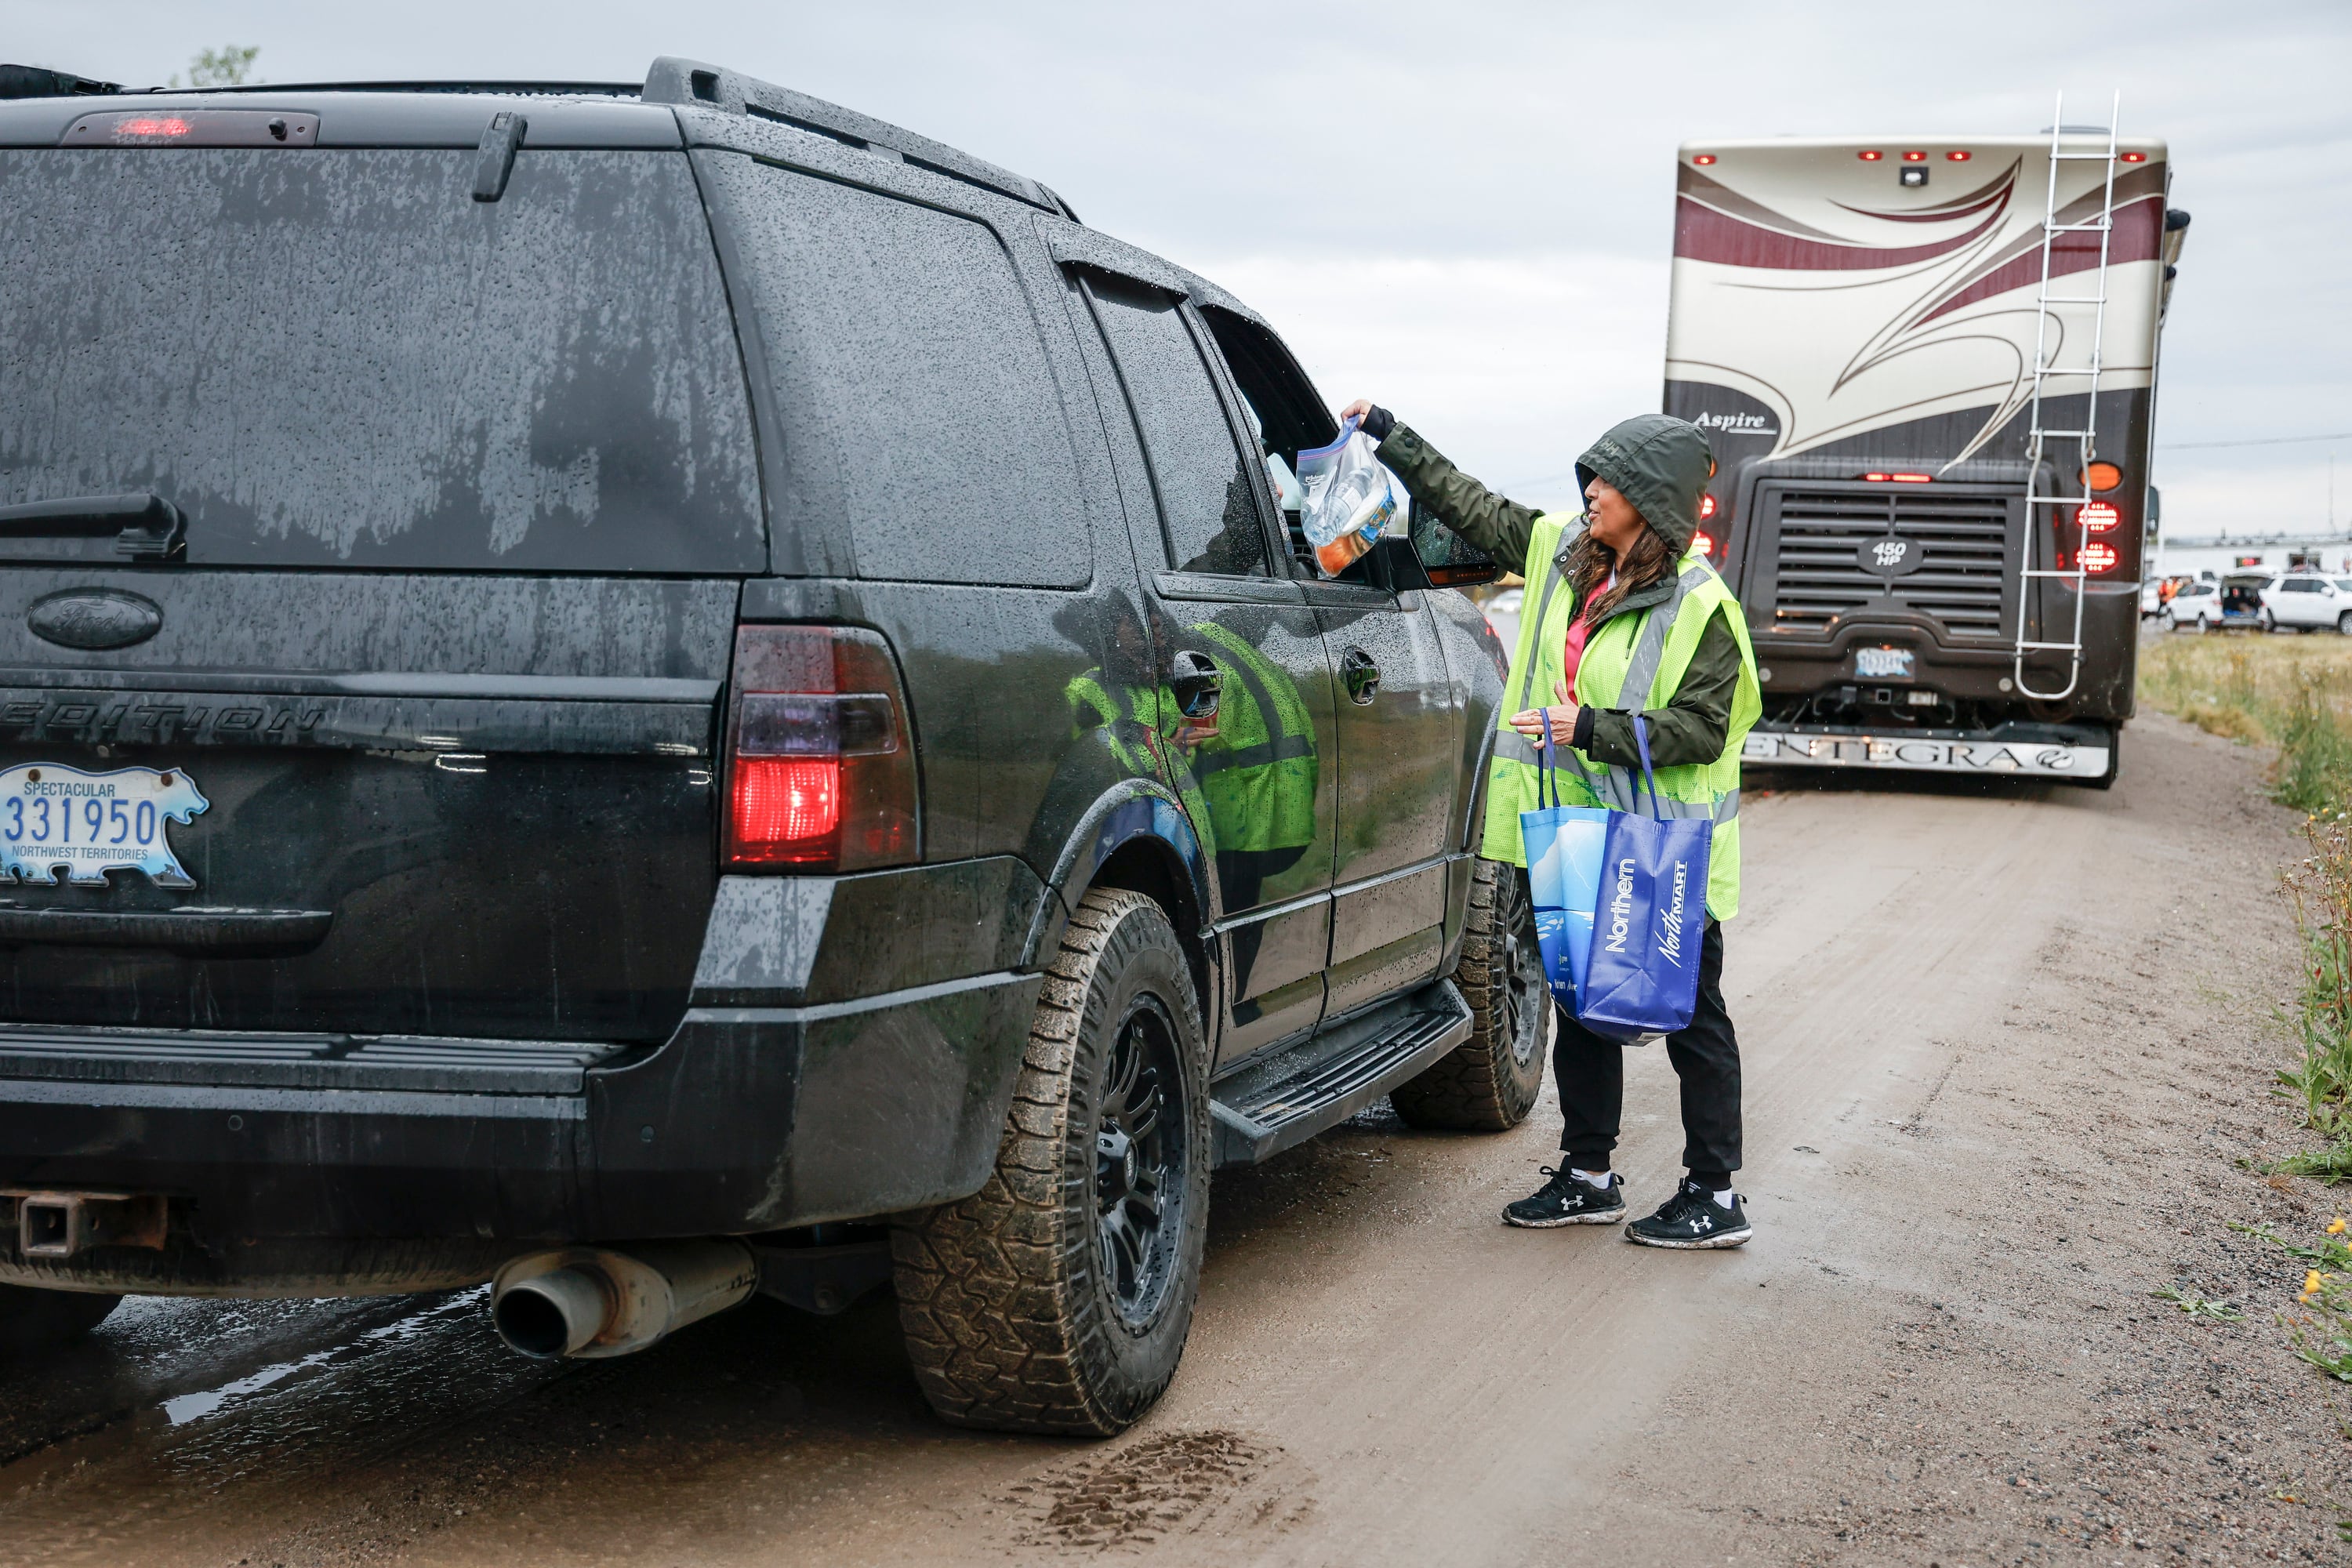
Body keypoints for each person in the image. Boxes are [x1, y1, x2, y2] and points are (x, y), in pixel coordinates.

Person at [1340, 400, 1762, 1248]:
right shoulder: (1563, 556)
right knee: (1581, 1005)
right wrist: (1389, 432)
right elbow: (1468, 502)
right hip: (1574, 835)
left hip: (1662, 848)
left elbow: (1704, 730)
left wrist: (1593, 728)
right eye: (1592, 476)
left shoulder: (1703, 606)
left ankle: (1715, 1193)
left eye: (1610, 480)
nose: (1592, 490)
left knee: (1689, 1015)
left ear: (1652, 500)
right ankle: (1587, 1174)